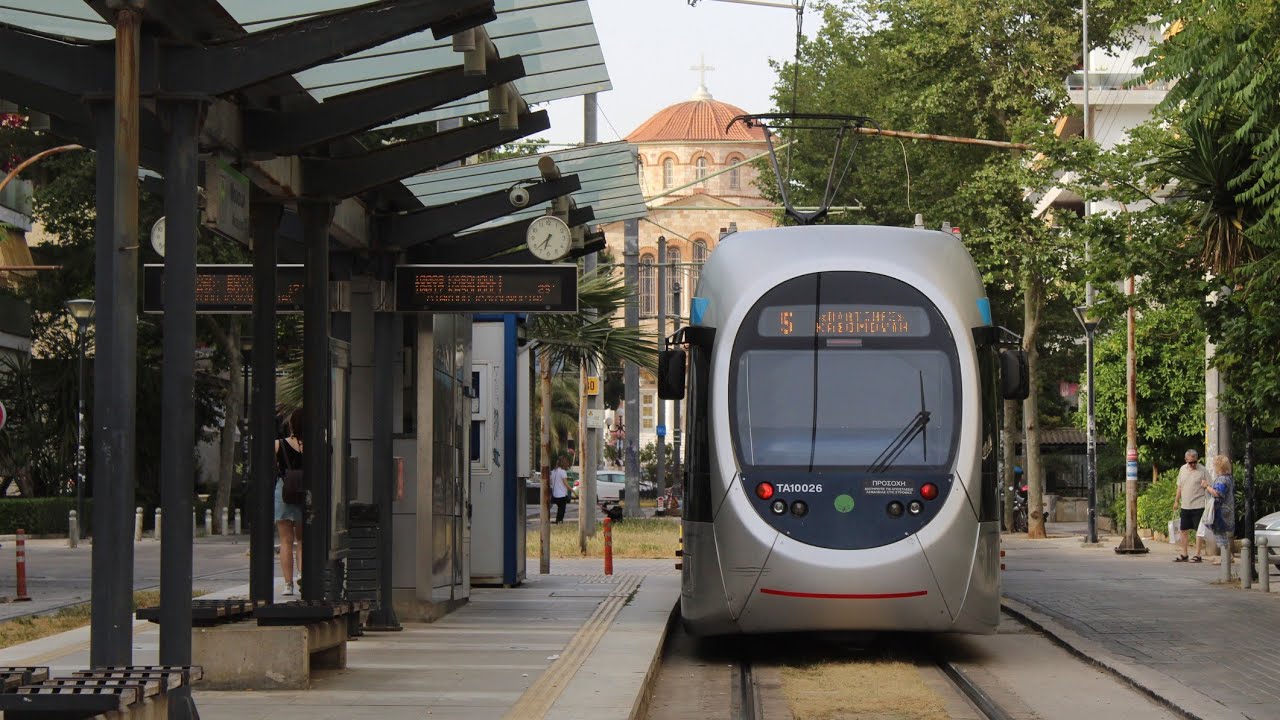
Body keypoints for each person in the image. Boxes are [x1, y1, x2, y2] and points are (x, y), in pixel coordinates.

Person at [275, 409, 305, 596]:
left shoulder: (278, 444)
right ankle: (303, 575)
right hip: (304, 492)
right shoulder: (314, 445)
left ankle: (288, 584)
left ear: (291, 424)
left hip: (284, 491)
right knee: (302, 540)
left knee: (285, 540)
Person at [1172, 449, 1209, 562]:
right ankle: (1184, 554)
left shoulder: (1202, 470)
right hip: (1185, 505)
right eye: (1190, 462)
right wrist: (1176, 501)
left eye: (1195, 462)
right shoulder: (1182, 469)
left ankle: (1197, 555)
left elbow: (1209, 485)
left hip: (1199, 504)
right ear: (1186, 460)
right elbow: (1179, 486)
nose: (1193, 464)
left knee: (1199, 531)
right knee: (1183, 529)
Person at [1204, 455, 1235, 565]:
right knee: (1222, 534)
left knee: (1220, 533)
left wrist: (1206, 486)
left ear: (1219, 466)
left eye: (1214, 465)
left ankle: (1226, 557)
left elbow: (1218, 493)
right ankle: (1227, 556)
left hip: (1220, 510)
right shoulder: (1229, 478)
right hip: (1227, 509)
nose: (1213, 467)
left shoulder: (1222, 479)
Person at [550, 455, 571, 524]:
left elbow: (551, 482)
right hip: (562, 495)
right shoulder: (563, 472)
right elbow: (566, 483)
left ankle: (557, 521)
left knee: (560, 509)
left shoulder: (553, 471)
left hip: (555, 495)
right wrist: (573, 491)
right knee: (562, 510)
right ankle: (559, 521)